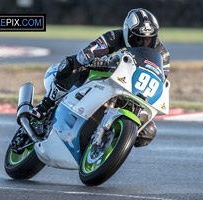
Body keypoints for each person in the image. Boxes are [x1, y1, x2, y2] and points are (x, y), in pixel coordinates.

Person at [32, 8, 170, 147]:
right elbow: (88, 52)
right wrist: (94, 59)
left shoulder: (163, 56)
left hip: (133, 91)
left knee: (147, 132)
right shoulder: (115, 37)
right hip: (107, 78)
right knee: (70, 64)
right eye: (138, 39)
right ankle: (45, 105)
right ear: (127, 33)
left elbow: (159, 81)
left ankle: (109, 143)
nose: (143, 44)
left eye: (148, 39)